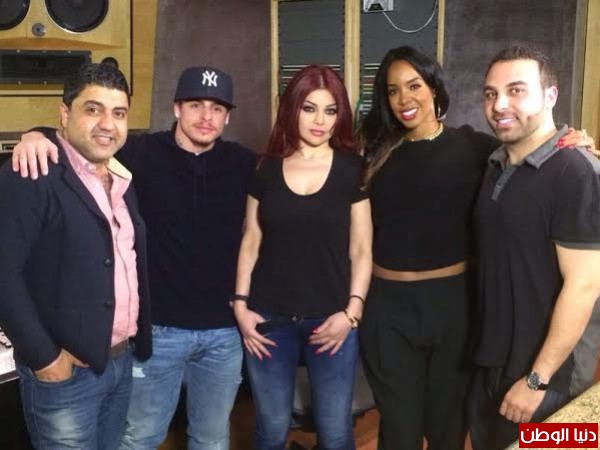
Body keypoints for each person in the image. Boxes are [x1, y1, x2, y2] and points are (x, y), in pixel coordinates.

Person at [356, 46, 592, 450]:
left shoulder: (479, 149)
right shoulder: (375, 154)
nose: (404, 98)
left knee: (449, 426)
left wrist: (576, 140)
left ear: (433, 88)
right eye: (393, 91)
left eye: (414, 85)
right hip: (390, 309)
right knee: (399, 430)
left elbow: (585, 283)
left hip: (456, 308)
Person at [11, 66, 256, 450]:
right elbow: (84, 138)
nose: (206, 116)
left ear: (227, 117)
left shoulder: (243, 163)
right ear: (176, 108)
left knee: (212, 438)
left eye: (217, 108)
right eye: (195, 105)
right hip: (156, 332)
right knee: (141, 436)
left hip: (222, 333)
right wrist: (34, 135)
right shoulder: (139, 152)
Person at [0, 62, 152, 449]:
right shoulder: (31, 173)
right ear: (65, 114)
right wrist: (45, 359)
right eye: (93, 109)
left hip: (119, 362)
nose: (107, 124)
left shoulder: (121, 178)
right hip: (65, 376)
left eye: (118, 113)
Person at [233, 65, 372, 450]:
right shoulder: (266, 168)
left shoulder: (352, 169)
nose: (320, 121)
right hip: (269, 320)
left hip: (332, 319)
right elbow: (251, 239)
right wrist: (241, 306)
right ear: (292, 109)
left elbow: (361, 248)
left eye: (330, 111)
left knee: (335, 433)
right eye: (309, 108)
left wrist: (352, 313)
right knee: (272, 430)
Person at [468, 45, 600, 450]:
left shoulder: (576, 171)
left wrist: (537, 380)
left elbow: (584, 285)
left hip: (551, 381)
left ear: (550, 95)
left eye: (516, 90)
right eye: (491, 93)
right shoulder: (495, 164)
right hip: (493, 364)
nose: (499, 105)